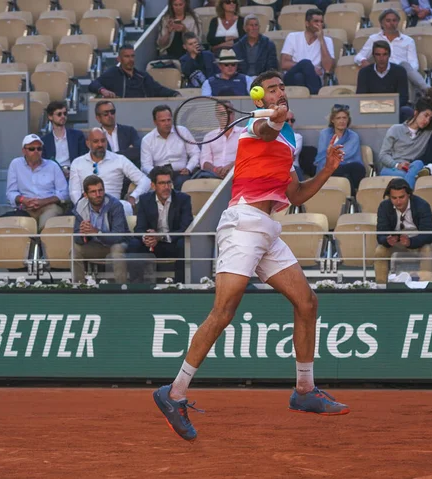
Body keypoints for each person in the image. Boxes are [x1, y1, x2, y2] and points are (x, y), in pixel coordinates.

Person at [152, 70, 350, 442]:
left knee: (307, 303)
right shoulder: (255, 127)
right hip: (243, 224)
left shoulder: (288, 139)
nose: (280, 93)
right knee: (224, 311)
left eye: (282, 89)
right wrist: (271, 117)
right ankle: (174, 393)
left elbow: (293, 195)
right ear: (260, 97)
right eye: (272, 89)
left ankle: (304, 391)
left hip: (267, 228)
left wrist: (326, 171)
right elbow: (266, 130)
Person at [128, 166, 194, 283]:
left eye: (169, 183)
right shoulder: (144, 200)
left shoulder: (183, 199)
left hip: (172, 243)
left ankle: (181, 285)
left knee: (183, 244)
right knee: (133, 244)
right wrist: (147, 237)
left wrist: (160, 236)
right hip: (152, 244)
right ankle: (136, 286)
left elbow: (185, 228)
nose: (167, 187)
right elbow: (139, 228)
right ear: (153, 186)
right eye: (162, 183)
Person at [69, 128, 150, 215]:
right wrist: (82, 206)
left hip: (113, 207)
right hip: (87, 207)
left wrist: (133, 197)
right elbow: (74, 192)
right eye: (96, 141)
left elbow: (145, 181)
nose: (100, 144)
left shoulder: (119, 160)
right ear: (88, 143)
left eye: (103, 141)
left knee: (125, 206)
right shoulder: (77, 163)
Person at [354, 8, 431, 98]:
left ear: (398, 22)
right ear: (382, 23)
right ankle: (427, 90)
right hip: (383, 71)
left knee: (404, 67)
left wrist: (401, 71)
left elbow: (414, 64)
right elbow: (358, 56)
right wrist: (363, 61)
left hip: (401, 73)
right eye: (388, 21)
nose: (391, 23)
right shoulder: (374, 39)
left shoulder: (408, 41)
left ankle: (412, 102)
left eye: (394, 20)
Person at [375, 178, 432, 283]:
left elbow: (428, 234)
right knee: (380, 250)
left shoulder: (422, 205)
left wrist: (410, 242)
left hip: (418, 242)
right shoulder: (384, 207)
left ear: (409, 195)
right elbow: (380, 234)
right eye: (394, 198)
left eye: (401, 197)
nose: (398, 201)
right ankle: (381, 287)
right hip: (396, 244)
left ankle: (425, 286)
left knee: (427, 249)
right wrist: (387, 240)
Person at [72, 175, 129, 284]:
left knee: (117, 250)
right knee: (74, 250)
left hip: (116, 244)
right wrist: (83, 234)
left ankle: (121, 289)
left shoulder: (115, 205)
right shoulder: (80, 207)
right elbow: (76, 238)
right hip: (96, 246)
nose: (98, 195)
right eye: (93, 192)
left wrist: (96, 232)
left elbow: (118, 236)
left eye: (100, 190)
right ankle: (79, 287)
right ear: (85, 195)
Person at [6, 134, 69, 231]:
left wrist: (43, 202)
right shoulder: (16, 164)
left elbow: (64, 193)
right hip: (26, 208)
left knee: (46, 226)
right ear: (24, 150)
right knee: (16, 229)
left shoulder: (52, 166)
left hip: (49, 206)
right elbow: (11, 192)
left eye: (39, 149)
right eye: (32, 149)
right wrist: (23, 199)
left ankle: (43, 244)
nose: (36, 152)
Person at [378, 95, 432, 188]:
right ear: (416, 112)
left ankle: (407, 191)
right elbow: (383, 155)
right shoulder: (396, 129)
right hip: (393, 169)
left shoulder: (427, 133)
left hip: (412, 168)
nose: (427, 120)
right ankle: (409, 191)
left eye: (430, 118)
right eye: (425, 115)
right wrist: (397, 165)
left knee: (418, 163)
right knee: (411, 177)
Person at [140, 105, 200, 191]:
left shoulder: (182, 131)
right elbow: (146, 165)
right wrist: (157, 174)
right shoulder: (147, 140)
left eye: (169, 120)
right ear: (155, 122)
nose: (167, 123)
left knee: (180, 182)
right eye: (163, 121)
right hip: (159, 174)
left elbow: (195, 153)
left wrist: (189, 168)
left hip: (181, 173)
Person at [88, 45, 180, 99]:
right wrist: (103, 90)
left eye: (132, 56)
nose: (130, 59)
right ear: (119, 59)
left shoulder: (143, 76)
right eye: (127, 56)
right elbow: (93, 84)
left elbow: (159, 89)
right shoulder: (113, 73)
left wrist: (175, 94)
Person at [281, 8, 335, 95]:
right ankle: (315, 96)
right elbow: (284, 64)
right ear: (307, 23)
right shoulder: (293, 37)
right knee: (306, 63)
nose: (319, 24)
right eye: (316, 21)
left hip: (314, 78)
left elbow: (328, 68)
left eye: (321, 22)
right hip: (290, 77)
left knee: (299, 77)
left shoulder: (327, 41)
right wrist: (310, 68)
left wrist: (321, 40)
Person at [356, 40, 412, 123]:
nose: (381, 58)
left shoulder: (400, 71)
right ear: (373, 56)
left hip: (394, 107)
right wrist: (377, 107)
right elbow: (360, 96)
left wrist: (387, 107)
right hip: (370, 108)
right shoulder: (364, 72)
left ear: (389, 55)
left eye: (384, 54)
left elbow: (403, 97)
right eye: (378, 55)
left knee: (406, 110)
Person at [314, 104, 365, 195]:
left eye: (344, 118)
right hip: (328, 166)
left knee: (357, 168)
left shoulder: (353, 136)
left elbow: (346, 154)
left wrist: (332, 154)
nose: (342, 121)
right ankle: (352, 198)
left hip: (349, 166)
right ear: (332, 120)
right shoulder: (324, 134)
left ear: (348, 120)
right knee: (344, 175)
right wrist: (332, 158)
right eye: (338, 118)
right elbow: (322, 155)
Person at [197, 100, 243, 179]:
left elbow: (246, 157)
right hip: (213, 176)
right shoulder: (209, 137)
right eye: (222, 114)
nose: (227, 116)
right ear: (217, 115)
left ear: (234, 113)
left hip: (237, 173)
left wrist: (231, 166)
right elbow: (204, 162)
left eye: (229, 112)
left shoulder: (243, 133)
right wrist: (216, 170)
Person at [41, 101, 88, 170]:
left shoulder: (77, 136)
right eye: (59, 114)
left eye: (65, 114)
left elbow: (83, 158)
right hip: (53, 173)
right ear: (50, 117)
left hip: (74, 172)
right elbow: (44, 163)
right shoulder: (44, 140)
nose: (63, 116)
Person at [233, 14, 279, 79]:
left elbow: (272, 67)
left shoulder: (268, 45)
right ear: (245, 28)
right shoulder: (237, 47)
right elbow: (236, 69)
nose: (254, 28)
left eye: (256, 25)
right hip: (243, 80)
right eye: (251, 25)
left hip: (263, 79)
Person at [287, 111, 304, 181]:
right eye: (286, 120)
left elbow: (291, 154)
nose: (290, 123)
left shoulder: (297, 137)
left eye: (292, 120)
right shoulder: (273, 137)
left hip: (294, 168)